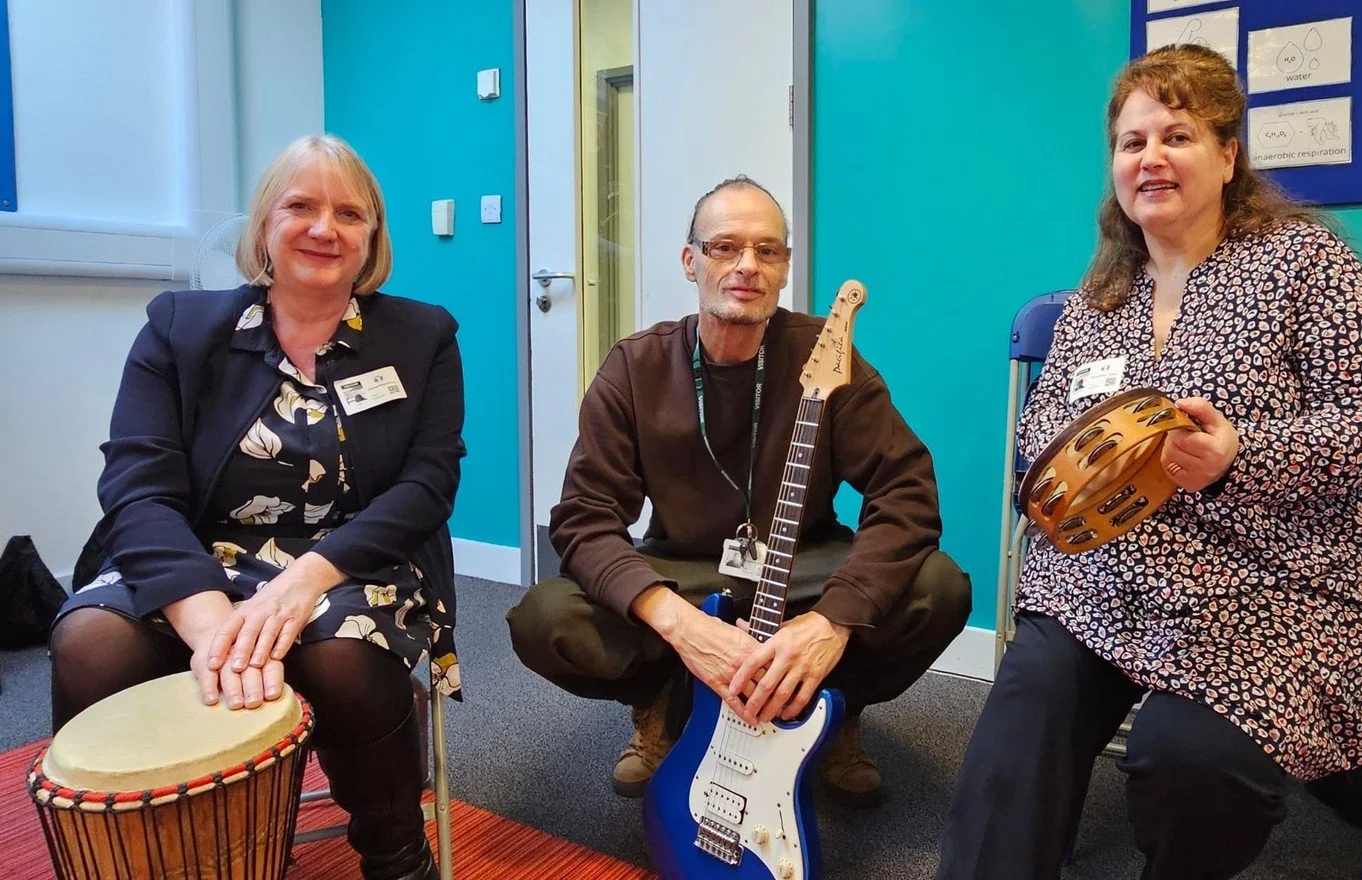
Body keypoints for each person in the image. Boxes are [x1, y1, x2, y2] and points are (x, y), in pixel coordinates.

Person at [937, 44, 1362, 880]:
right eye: (1131, 142)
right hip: (1111, 582)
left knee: (1187, 762)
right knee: (1020, 724)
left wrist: (1241, 454)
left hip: (1283, 590)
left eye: (1178, 135)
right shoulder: (1097, 301)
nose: (1150, 158)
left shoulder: (1303, 265)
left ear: (1228, 156)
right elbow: (1044, 428)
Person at [51, 135, 465, 880]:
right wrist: (207, 619)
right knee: (91, 643)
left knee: (344, 657)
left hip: (348, 562)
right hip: (197, 555)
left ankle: (396, 851)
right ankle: (127, 855)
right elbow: (136, 486)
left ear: (372, 235)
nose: (323, 227)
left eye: (349, 212)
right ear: (262, 227)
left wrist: (306, 578)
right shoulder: (179, 329)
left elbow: (426, 485)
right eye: (299, 206)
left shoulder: (421, 336)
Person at [507, 175, 972, 807]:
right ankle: (659, 707)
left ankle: (833, 709)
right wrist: (675, 621)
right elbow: (584, 517)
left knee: (939, 588)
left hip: (806, 564)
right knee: (546, 618)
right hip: (685, 570)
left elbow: (906, 490)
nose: (746, 266)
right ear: (690, 260)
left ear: (784, 269)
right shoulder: (635, 367)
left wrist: (833, 621)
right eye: (725, 247)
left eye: (767, 251)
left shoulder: (826, 355)